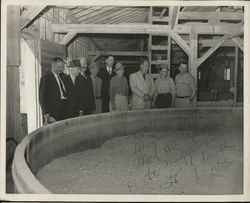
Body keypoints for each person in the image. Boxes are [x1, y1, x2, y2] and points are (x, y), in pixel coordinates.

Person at [39, 57, 69, 124]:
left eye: (62, 67)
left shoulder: (63, 77)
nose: (61, 69)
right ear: (53, 65)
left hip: (64, 110)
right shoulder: (46, 78)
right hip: (53, 113)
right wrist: (46, 113)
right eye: (59, 67)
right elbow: (42, 97)